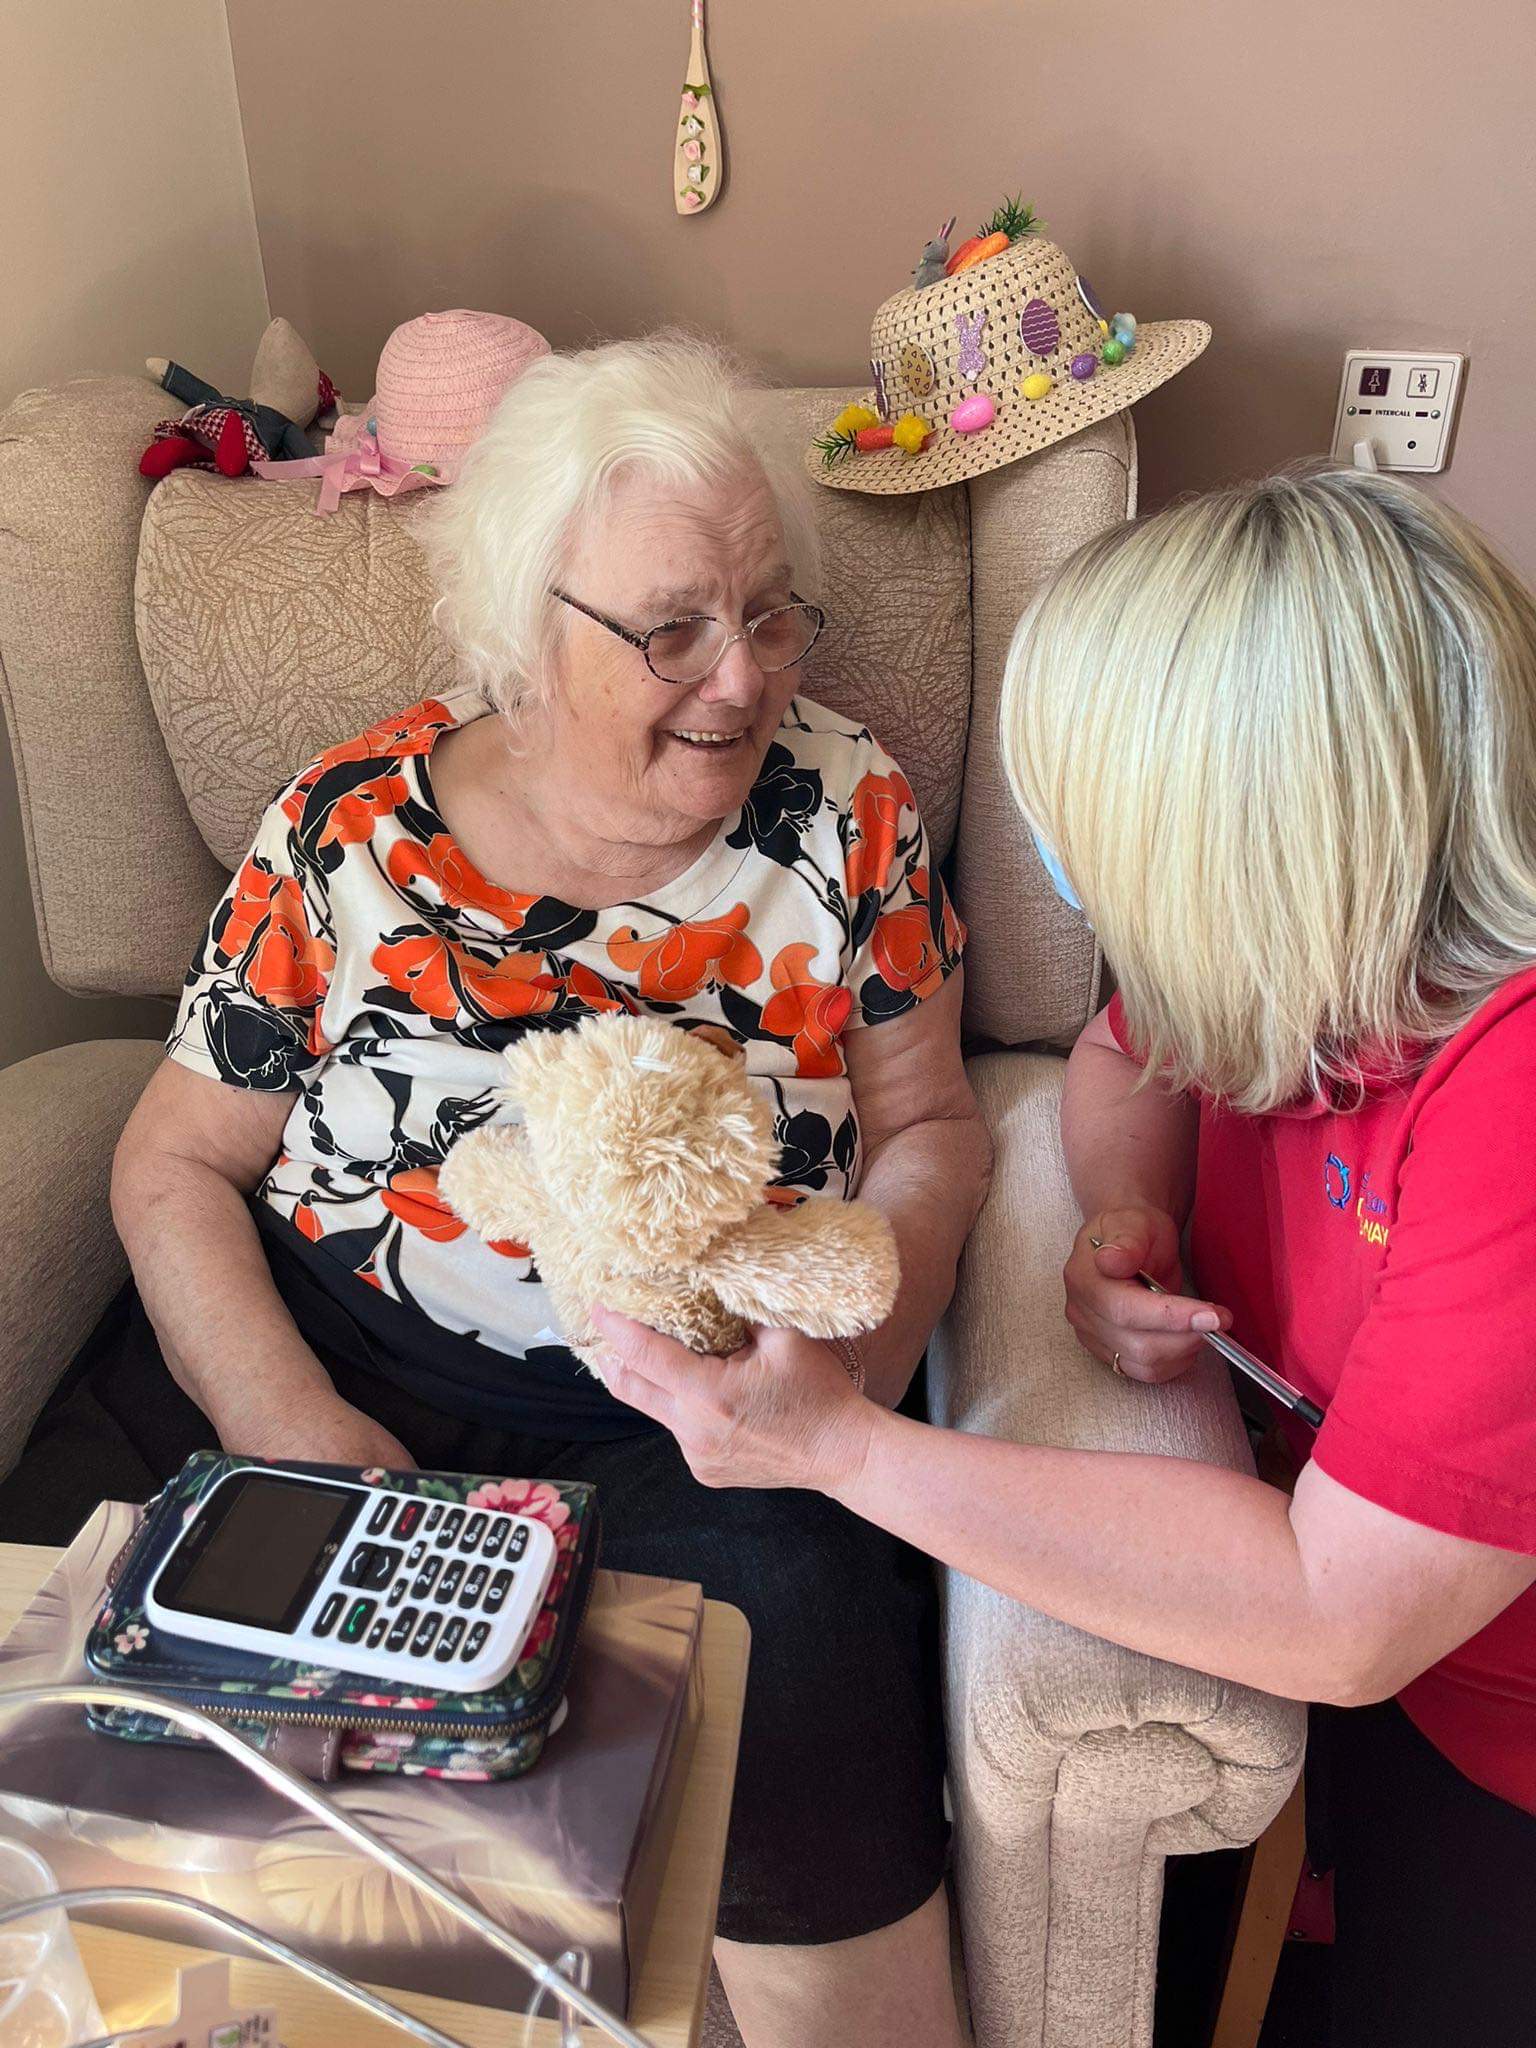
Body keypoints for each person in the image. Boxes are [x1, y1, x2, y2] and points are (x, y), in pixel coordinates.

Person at [0, 337, 990, 2048]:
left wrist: (849, 1367)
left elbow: (937, 1128)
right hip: (322, 1347)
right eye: (673, 627)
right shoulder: (346, 831)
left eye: (770, 615)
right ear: (526, 631)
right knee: (78, 1767)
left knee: (812, 1766)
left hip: (701, 1416)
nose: (742, 677)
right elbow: (173, 1157)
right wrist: (281, 1418)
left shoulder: (852, 813)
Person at [594, 468, 1536, 2048]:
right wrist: (1121, 1214)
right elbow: (1122, 1055)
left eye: (1097, 833)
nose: (1067, 872)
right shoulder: (1305, 950)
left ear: (1261, 838)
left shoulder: (1510, 1099)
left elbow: (1343, 1613)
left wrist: (838, 1448)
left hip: (1496, 1727)